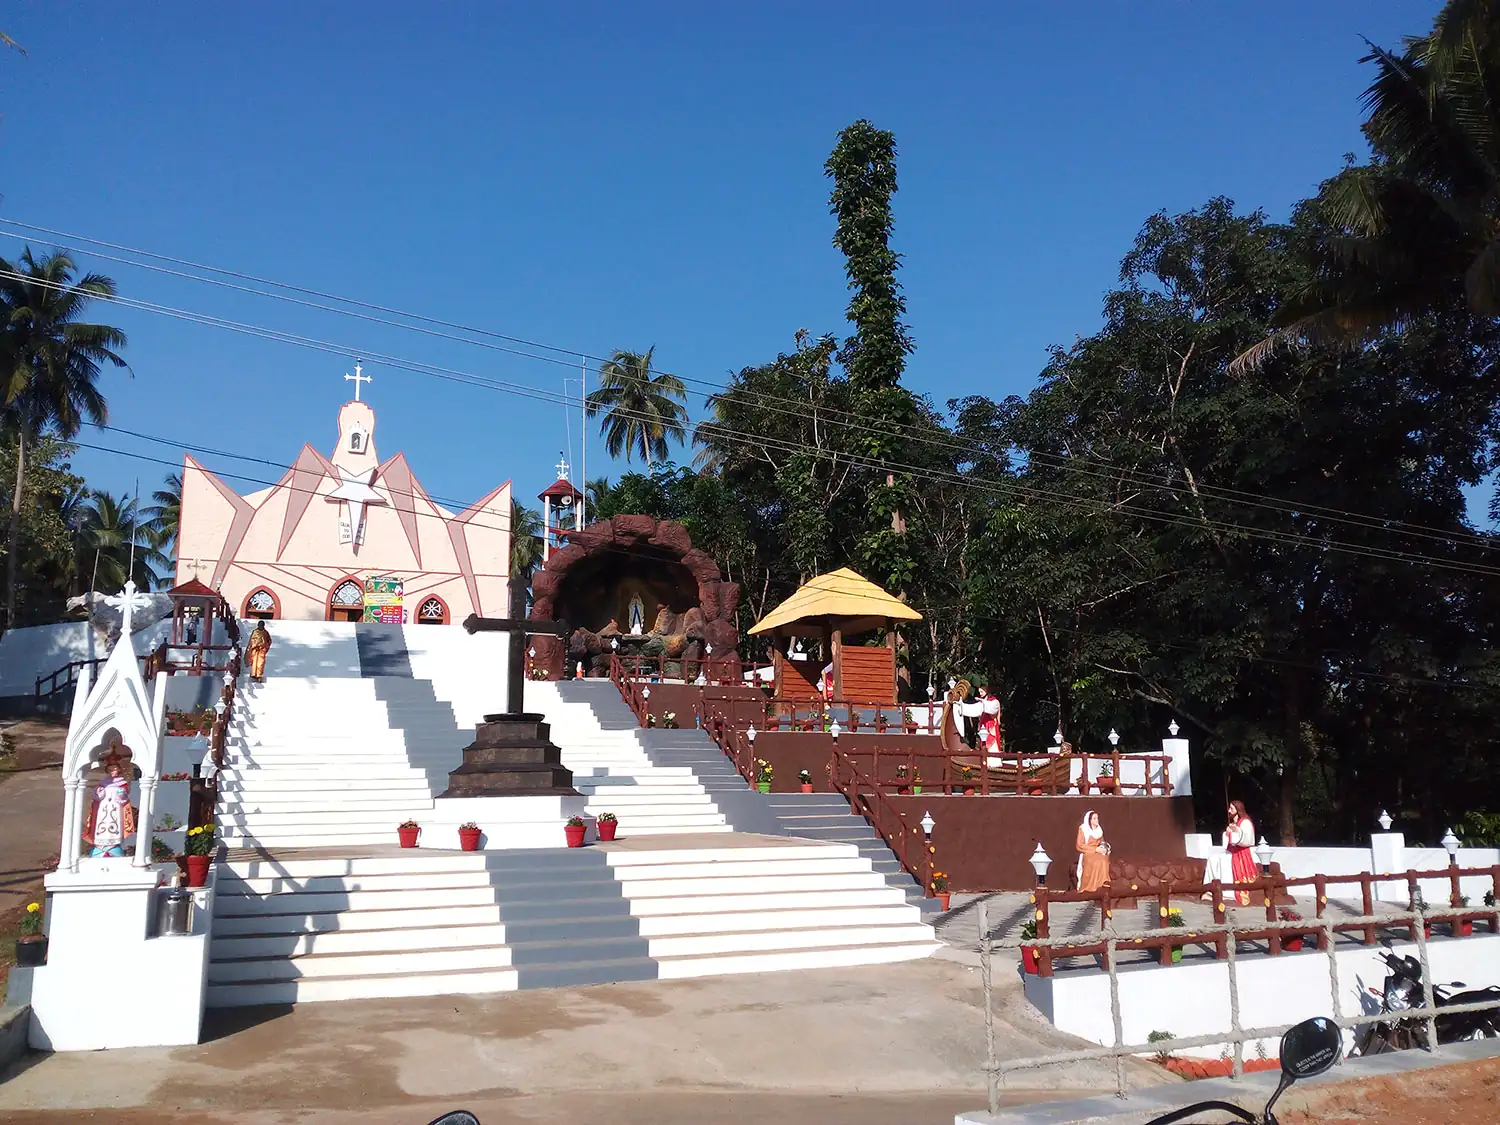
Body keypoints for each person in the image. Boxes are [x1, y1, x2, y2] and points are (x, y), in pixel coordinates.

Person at [83, 746, 136, 858]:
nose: (113, 771)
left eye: (115, 769)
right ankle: (100, 847)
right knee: (101, 824)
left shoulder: (121, 782)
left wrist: (121, 794)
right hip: (103, 809)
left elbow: (124, 796)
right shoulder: (104, 782)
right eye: (111, 769)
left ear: (119, 769)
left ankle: (113, 847)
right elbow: (97, 796)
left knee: (115, 826)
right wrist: (99, 792)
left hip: (115, 810)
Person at [1202, 800, 1257, 905]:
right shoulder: (1235, 823)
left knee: (1224, 861)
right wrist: (1228, 832)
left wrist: (1235, 832)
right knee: (1213, 859)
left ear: (1238, 810)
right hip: (1231, 851)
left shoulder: (1246, 822)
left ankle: (1228, 893)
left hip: (1240, 854)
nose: (1229, 811)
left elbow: (1248, 840)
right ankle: (1209, 888)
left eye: (1231, 808)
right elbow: (1227, 842)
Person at [1076, 810, 1111, 892]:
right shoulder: (1083, 829)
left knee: (1103, 861)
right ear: (1090, 820)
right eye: (1094, 818)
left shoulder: (1099, 830)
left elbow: (1102, 842)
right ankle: (1090, 888)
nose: (1097, 820)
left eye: (1097, 818)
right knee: (1095, 862)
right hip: (1088, 852)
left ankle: (1103, 885)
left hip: (1098, 852)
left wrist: (1104, 848)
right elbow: (1079, 845)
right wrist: (1095, 849)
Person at [977, 685, 1002, 758]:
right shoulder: (982, 702)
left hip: (991, 725)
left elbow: (992, 710)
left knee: (991, 745)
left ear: (986, 690)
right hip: (984, 725)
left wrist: (982, 702)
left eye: (982, 691)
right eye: (979, 692)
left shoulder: (994, 701)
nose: (980, 693)